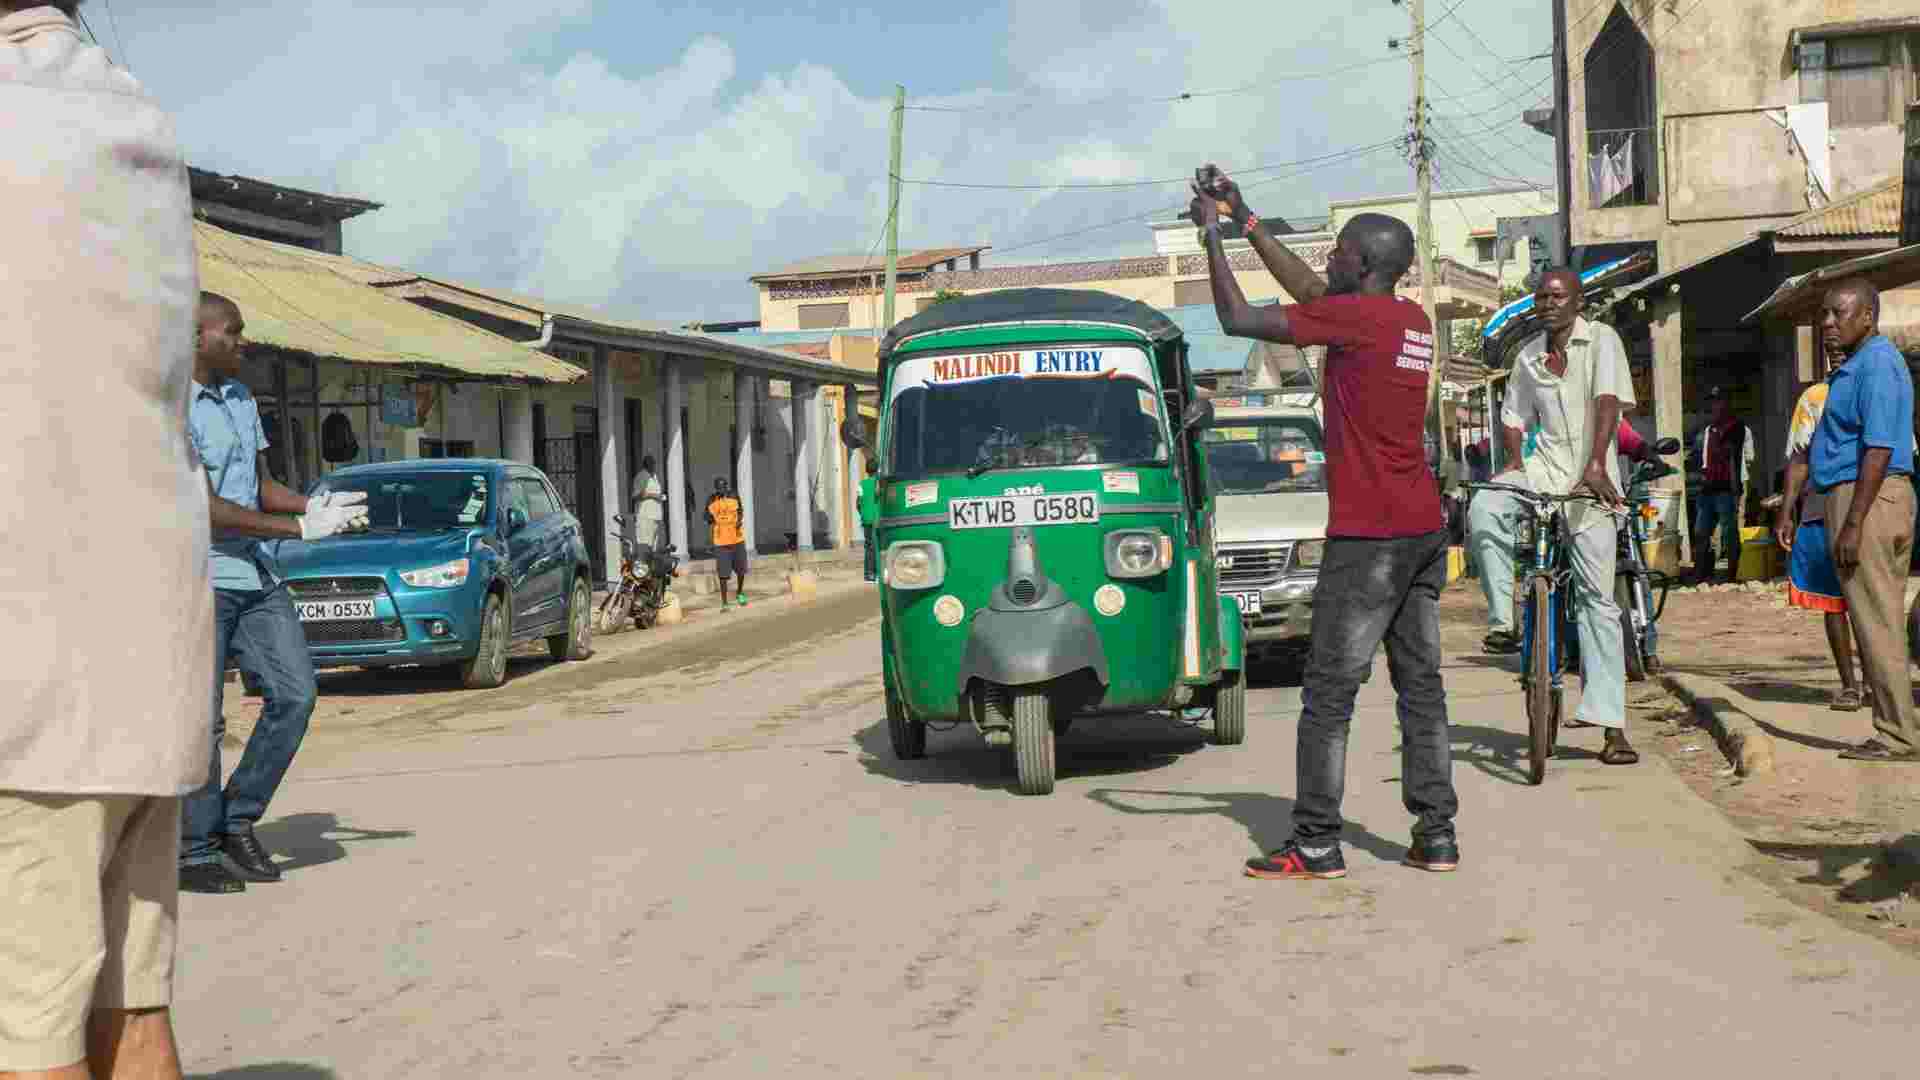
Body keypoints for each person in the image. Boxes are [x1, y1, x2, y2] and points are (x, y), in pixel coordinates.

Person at [5, 3, 198, 1074]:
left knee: (30, 1037)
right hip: (145, 661)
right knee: (133, 1012)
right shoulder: (131, 122)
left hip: (28, 687)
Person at [1191, 165, 1458, 879]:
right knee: (1421, 688)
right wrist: (1247, 219)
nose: (1328, 260)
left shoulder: (1355, 320)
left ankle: (1314, 842)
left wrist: (1211, 236)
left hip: (1369, 538)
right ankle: (1436, 835)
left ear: (1362, 264)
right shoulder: (1408, 320)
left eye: (1338, 251)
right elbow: (1314, 292)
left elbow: (1236, 319)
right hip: (1422, 530)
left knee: (1330, 694)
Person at [182, 293, 369, 896]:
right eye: (232, 332)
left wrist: (315, 505)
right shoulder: (169, 407)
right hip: (200, 577)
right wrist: (299, 530)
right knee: (203, 720)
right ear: (195, 336)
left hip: (256, 573)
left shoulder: (241, 398)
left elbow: (260, 488)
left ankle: (236, 820)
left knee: (295, 694)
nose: (244, 342)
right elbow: (202, 507)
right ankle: (193, 850)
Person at [1498, 269, 1640, 766]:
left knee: (1597, 600)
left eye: (1558, 296)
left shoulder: (1602, 341)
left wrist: (1596, 464)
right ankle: (1501, 618)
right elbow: (1513, 415)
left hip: (1590, 482)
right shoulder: (1527, 356)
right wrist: (1513, 460)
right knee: (1486, 508)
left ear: (1578, 301)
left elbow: (1607, 401)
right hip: (1544, 476)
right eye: (1541, 296)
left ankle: (1612, 727)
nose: (1548, 303)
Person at [1806, 279, 1918, 762]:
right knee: (1880, 616)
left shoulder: (1876, 364)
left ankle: (1897, 736)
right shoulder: (1856, 366)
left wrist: (1853, 522)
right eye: (1825, 314)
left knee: (1875, 622)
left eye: (1840, 313)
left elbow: (1878, 447)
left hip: (1867, 499)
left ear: (1868, 317)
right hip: (1864, 497)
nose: (1828, 323)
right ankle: (1899, 727)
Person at [1473, 416, 1652, 656]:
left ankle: (1647, 644)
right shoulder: (1531, 414)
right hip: (1539, 480)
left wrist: (1651, 456)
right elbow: (1512, 420)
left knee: (1622, 549)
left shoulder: (1601, 409)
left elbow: (1632, 441)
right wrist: (1515, 459)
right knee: (1485, 504)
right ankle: (1504, 624)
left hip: (1589, 487)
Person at [1774, 341, 1869, 713]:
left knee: (1871, 602)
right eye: (1833, 352)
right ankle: (1849, 685)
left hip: (1870, 510)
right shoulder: (1814, 398)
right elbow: (1799, 459)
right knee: (1834, 602)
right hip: (1820, 510)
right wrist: (1786, 512)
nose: (1839, 356)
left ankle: (1877, 682)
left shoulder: (1876, 391)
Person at [1689, 386, 1754, 584]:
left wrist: (1736, 490)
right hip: (1708, 489)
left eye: (1718, 402)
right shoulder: (1706, 431)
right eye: (1712, 402)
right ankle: (1702, 572)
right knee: (1702, 531)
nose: (1714, 406)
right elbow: (1699, 459)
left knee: (1729, 532)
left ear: (1727, 404)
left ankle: (1733, 573)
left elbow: (1739, 459)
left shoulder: (1737, 428)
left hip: (1727, 488)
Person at [706, 477, 749, 608]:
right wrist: (715, 523)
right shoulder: (712, 499)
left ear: (727, 486)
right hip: (721, 542)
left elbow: (740, 511)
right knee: (723, 573)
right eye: (719, 487)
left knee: (741, 570)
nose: (722, 489)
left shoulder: (734, 496)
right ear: (716, 488)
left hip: (737, 539)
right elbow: (707, 517)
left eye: (724, 486)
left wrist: (739, 521)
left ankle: (740, 592)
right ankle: (724, 602)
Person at [630, 454, 666, 557]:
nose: (654, 465)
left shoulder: (654, 476)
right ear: (647, 464)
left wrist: (659, 496)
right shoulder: (641, 476)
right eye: (652, 463)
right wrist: (653, 495)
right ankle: (643, 565)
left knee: (654, 546)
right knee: (645, 545)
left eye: (654, 463)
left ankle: (651, 565)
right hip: (645, 516)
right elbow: (635, 495)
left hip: (656, 516)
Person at [857, 463, 878, 583]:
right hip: (877, 518)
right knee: (877, 546)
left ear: (866, 470)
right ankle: (876, 573)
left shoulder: (862, 484)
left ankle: (868, 575)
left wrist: (863, 514)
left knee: (869, 547)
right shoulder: (879, 483)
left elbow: (858, 503)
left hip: (866, 519)